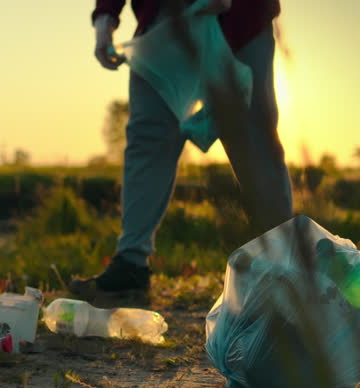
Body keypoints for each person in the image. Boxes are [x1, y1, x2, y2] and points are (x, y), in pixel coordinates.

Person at [70, 0, 293, 298]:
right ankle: (131, 267)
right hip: (163, 23)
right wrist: (105, 17)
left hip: (240, 20)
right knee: (148, 138)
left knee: (255, 144)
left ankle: (281, 269)